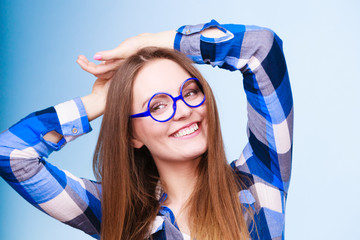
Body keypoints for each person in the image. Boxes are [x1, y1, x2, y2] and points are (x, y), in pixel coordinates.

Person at [0, 20, 293, 240]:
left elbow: (261, 49)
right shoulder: (118, 213)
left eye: (190, 92)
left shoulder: (258, 180)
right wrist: (100, 101)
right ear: (132, 135)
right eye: (158, 106)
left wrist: (155, 41)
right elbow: (12, 154)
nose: (183, 110)